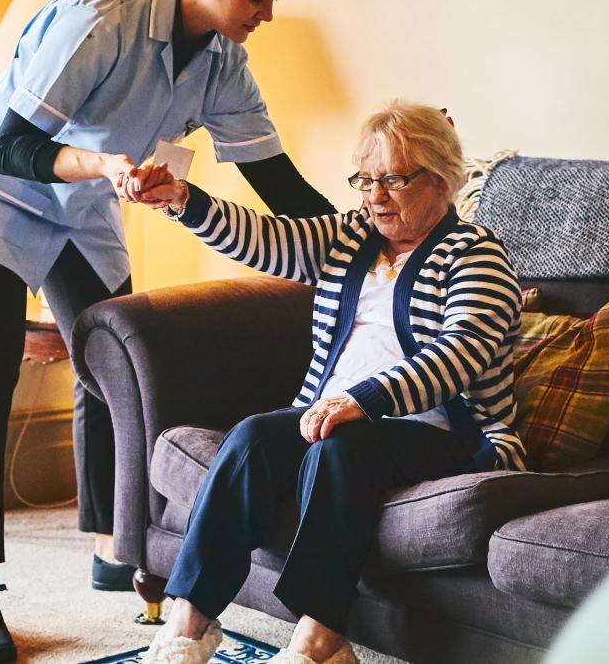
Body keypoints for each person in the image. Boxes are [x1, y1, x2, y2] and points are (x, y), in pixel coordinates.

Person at [0, 0, 335, 662]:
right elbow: (16, 147)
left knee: (113, 363)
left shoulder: (222, 64)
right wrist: (107, 165)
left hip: (80, 204)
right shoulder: (98, 20)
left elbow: (278, 185)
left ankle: (114, 545)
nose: (268, 13)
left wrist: (366, 233)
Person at [122, 101, 525, 664]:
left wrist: (361, 401)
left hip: (444, 431)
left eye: (393, 180)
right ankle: (187, 628)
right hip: (331, 414)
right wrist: (183, 201)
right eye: (365, 179)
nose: (374, 195)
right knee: (254, 436)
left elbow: (461, 352)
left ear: (441, 178)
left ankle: (320, 640)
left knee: (340, 444)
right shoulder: (351, 236)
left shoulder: (477, 253)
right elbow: (267, 238)